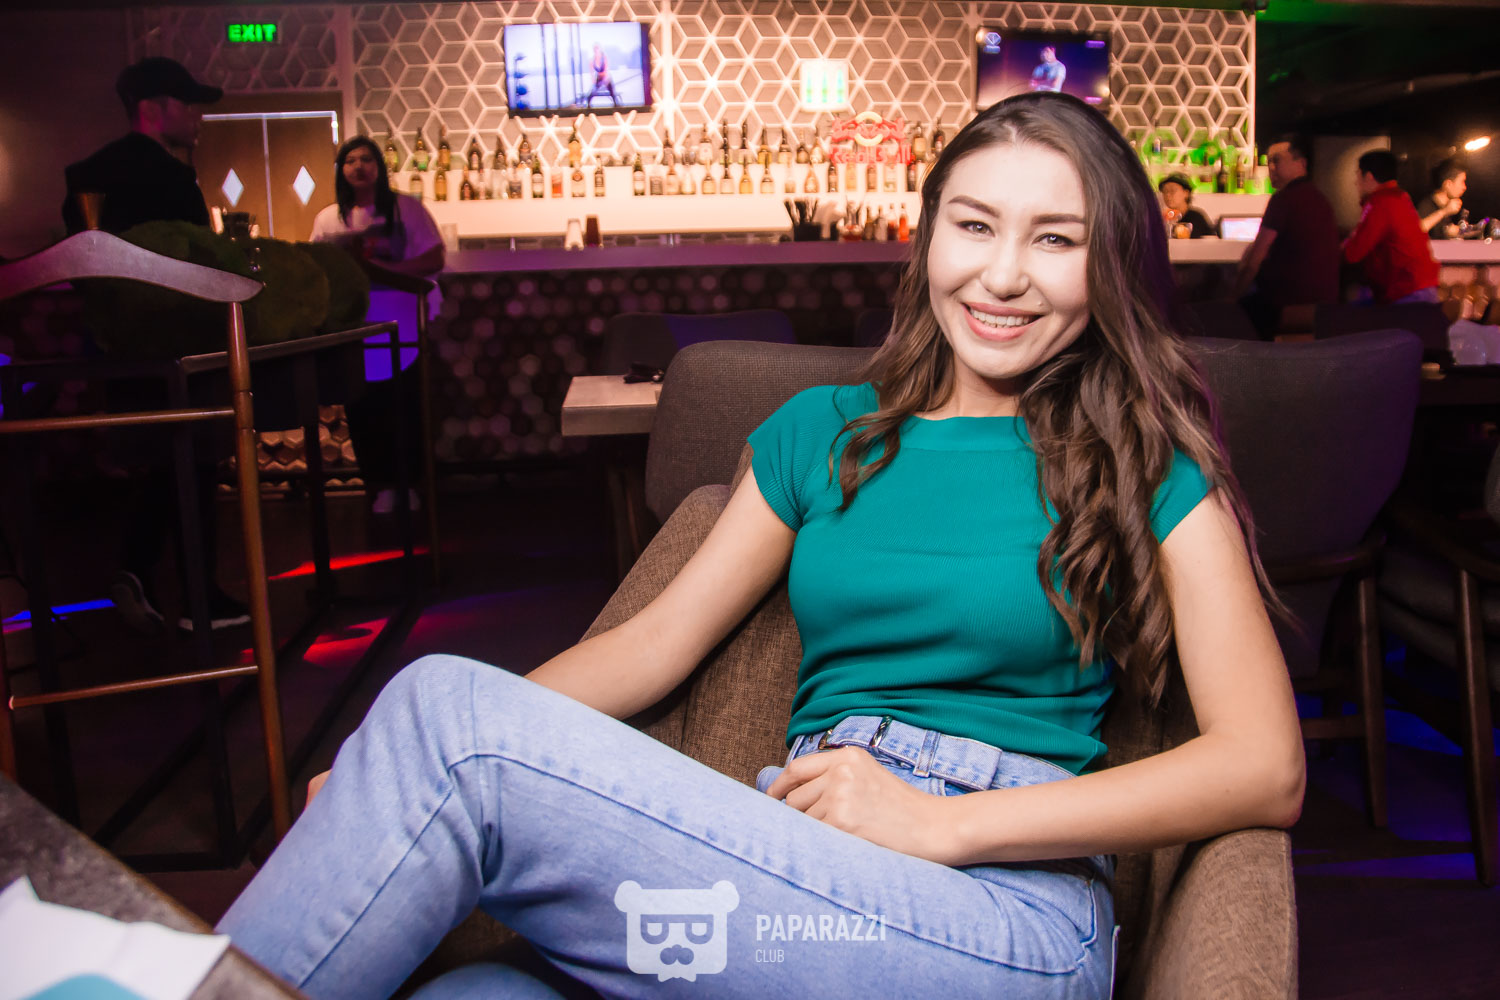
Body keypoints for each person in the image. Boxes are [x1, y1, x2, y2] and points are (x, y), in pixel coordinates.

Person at [217, 93, 1304, 1000]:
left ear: (1108, 265)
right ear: (929, 237)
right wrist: (393, 774)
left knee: (443, 712)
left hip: (1006, 911)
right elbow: (655, 646)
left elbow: (1264, 767)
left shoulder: (1144, 461)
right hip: (798, 857)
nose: (1004, 274)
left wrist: (943, 824)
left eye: (1055, 239)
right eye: (974, 226)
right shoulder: (823, 432)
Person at [61, 57, 249, 631]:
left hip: (116, 349)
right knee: (195, 459)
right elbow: (194, 263)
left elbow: (82, 267)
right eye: (188, 105)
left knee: (167, 462)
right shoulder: (170, 177)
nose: (197, 117)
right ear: (153, 109)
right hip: (177, 341)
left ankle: (139, 568)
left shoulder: (86, 174)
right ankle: (197, 600)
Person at [310, 136, 444, 514]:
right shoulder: (327, 218)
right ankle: (379, 484)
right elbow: (317, 269)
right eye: (350, 160)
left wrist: (387, 269)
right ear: (341, 170)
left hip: (404, 325)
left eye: (366, 159)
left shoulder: (408, 209)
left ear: (379, 167)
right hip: (354, 329)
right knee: (364, 409)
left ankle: (410, 484)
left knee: (405, 405)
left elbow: (434, 258)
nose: (359, 167)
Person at [1232, 134, 1340, 337]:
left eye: (1277, 160)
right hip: (1324, 306)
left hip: (1288, 304)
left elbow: (1254, 261)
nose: (1271, 168)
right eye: (1268, 162)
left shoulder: (1283, 200)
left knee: (1232, 319)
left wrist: (1232, 298)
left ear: (1301, 163)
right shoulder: (1320, 198)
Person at [1342, 149, 1441, 305]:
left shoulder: (1380, 203)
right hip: (1420, 288)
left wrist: (1336, 249)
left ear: (1368, 177)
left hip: (1406, 293)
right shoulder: (1399, 198)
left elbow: (1353, 253)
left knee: (1349, 307)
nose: (1355, 182)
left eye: (1358, 175)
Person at [1415, 158, 1467, 239]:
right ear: (1448, 184)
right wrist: (1444, 211)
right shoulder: (1426, 205)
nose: (1464, 187)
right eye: (1462, 182)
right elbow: (1416, 229)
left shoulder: (1446, 207)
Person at [1157, 173, 1213, 238]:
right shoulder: (1163, 219)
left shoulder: (1196, 217)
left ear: (1186, 193)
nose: (1168, 195)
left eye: (1172, 191)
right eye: (1165, 191)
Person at [582, 42, 620, 107]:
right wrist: (593, 81)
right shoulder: (592, 60)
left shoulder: (604, 58)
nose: (596, 51)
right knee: (591, 93)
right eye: (595, 49)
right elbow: (591, 72)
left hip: (606, 77)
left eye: (597, 49)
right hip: (598, 78)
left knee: (612, 92)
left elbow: (606, 69)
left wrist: (606, 79)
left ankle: (616, 105)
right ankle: (588, 106)